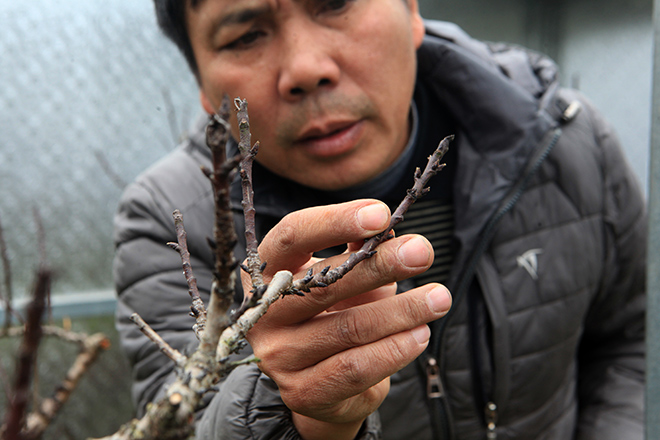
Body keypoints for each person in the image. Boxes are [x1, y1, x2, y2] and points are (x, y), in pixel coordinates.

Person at [113, 0, 647, 438]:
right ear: (205, 89)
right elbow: (180, 423)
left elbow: (632, 341)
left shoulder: (568, 141)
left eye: (335, 4)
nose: (306, 68)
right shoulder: (173, 224)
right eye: (245, 36)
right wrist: (302, 414)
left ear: (412, 9)